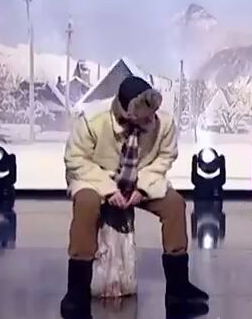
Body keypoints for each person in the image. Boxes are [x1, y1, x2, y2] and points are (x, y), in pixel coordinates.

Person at [61, 75, 209, 317]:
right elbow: (76, 160)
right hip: (96, 178)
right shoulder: (93, 120)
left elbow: (165, 157)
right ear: (128, 113)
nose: (151, 120)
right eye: (145, 116)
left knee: (174, 205)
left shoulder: (163, 123)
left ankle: (178, 287)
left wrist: (142, 188)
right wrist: (108, 189)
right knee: (86, 204)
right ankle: (76, 290)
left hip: (141, 179)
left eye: (153, 114)